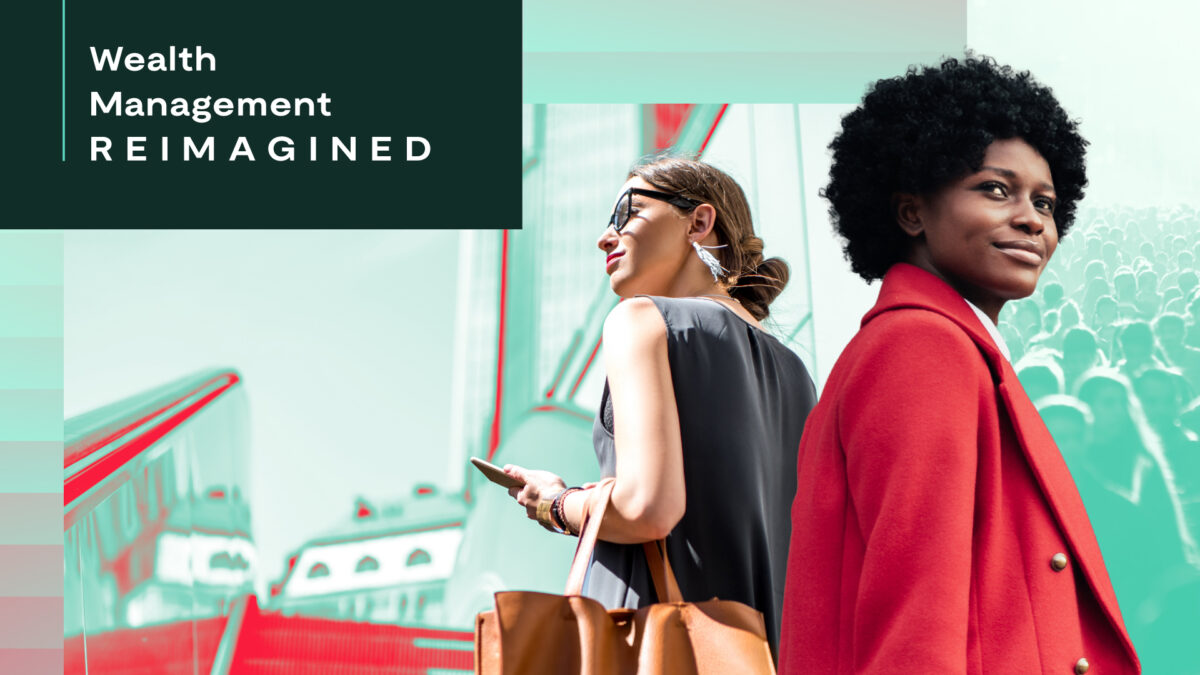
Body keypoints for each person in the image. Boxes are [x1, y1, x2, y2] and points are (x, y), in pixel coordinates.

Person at [779, 56, 1140, 673]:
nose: (1032, 219)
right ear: (911, 211)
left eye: (1047, 204)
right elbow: (915, 619)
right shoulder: (922, 347)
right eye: (995, 190)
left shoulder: (945, 344)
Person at [502, 157, 817, 658]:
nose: (607, 237)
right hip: (764, 654)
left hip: (654, 644)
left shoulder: (642, 321)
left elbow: (645, 509)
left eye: (627, 212)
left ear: (699, 221)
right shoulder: (797, 374)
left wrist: (556, 503)